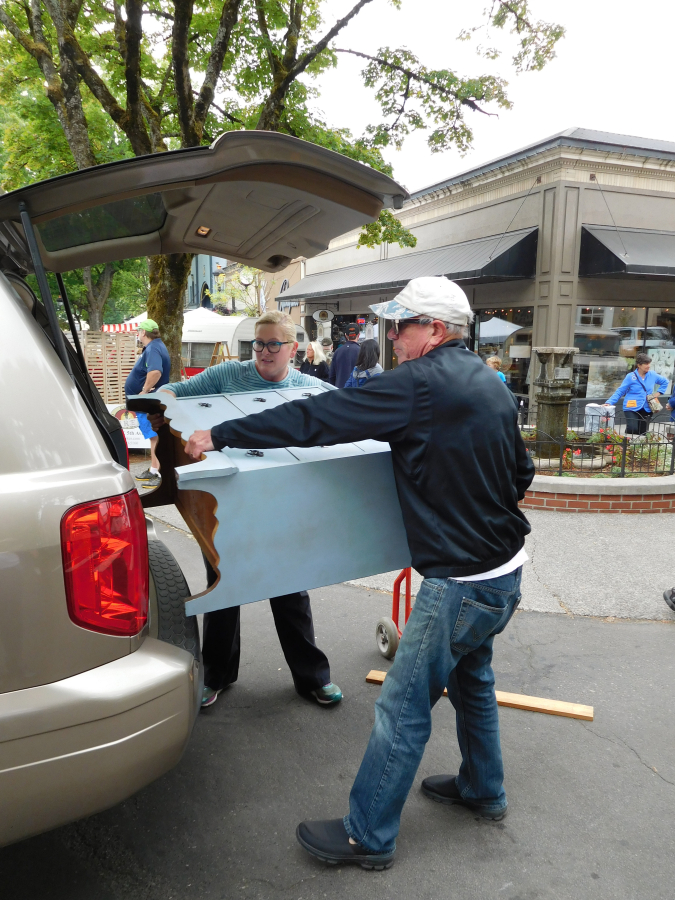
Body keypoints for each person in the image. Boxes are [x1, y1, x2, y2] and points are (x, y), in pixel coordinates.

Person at [183, 277, 534, 870]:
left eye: (403, 325)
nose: (392, 335)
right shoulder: (487, 380)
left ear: (437, 331)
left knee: (403, 706)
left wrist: (220, 434)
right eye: (390, 324)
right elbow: (521, 471)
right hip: (507, 572)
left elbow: (319, 418)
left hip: (461, 582)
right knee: (473, 682)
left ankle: (366, 835)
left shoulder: (418, 384)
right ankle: (484, 788)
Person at [153, 310, 342, 710]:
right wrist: (170, 421)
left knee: (290, 590)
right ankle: (216, 676)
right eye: (258, 343)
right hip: (225, 502)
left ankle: (312, 678)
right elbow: (171, 392)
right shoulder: (228, 375)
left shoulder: (310, 387)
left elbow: (341, 417)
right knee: (224, 588)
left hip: (282, 504)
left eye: (274, 344)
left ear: (293, 348)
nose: (264, 351)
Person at [125, 318, 171, 486]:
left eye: (138, 331)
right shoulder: (155, 347)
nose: (137, 334)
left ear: (143, 332)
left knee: (155, 436)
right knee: (153, 437)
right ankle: (154, 469)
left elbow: (156, 372)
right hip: (148, 401)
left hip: (148, 401)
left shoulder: (153, 348)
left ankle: (158, 473)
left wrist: (143, 391)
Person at [604, 353, 667, 438]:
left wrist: (657, 394)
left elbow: (665, 382)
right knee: (632, 429)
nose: (648, 366)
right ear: (639, 365)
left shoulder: (652, 374)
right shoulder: (630, 376)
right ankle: (627, 444)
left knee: (643, 432)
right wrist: (610, 402)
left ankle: (637, 449)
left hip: (647, 407)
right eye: (646, 364)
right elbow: (621, 390)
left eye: (649, 363)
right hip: (631, 407)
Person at [329, 323, 361, 388]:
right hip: (356, 393)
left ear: (346, 336)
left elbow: (331, 376)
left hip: (340, 392)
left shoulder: (338, 351)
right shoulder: (362, 352)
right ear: (359, 335)